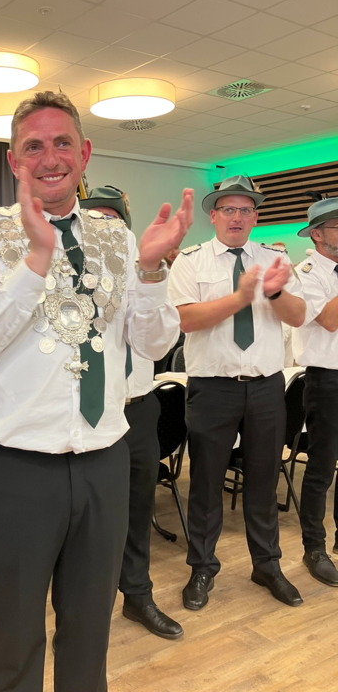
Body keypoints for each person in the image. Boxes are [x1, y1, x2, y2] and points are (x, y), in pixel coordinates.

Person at [0, 91, 193, 692]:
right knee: (12, 637)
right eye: (34, 146)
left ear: (84, 154)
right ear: (14, 161)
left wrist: (152, 272)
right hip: (15, 467)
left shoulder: (116, 238)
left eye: (62, 143)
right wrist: (36, 258)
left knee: (89, 630)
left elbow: (153, 343)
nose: (50, 157)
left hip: (104, 459)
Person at [168, 174, 306, 611]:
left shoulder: (273, 259)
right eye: (228, 209)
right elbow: (186, 320)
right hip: (213, 388)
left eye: (246, 210)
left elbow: (298, 316)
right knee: (206, 483)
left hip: (265, 387)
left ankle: (267, 564)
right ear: (213, 215)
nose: (237, 217)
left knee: (264, 480)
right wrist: (242, 296)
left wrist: (274, 291)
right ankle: (202, 568)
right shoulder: (190, 261)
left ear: (256, 217)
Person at [80, 186, 183, 641]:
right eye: (95, 219)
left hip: (139, 410)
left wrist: (152, 275)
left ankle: (138, 596)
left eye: (114, 220)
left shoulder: (148, 275)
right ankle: (82, 611)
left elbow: (159, 344)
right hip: (90, 416)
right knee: (88, 520)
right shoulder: (68, 279)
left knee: (138, 510)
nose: (105, 227)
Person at [292, 197, 338, 586]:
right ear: (318, 235)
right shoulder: (305, 273)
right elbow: (329, 320)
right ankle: (314, 547)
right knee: (321, 468)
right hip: (327, 380)